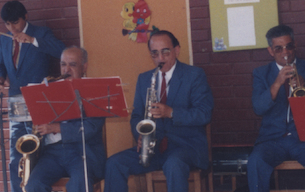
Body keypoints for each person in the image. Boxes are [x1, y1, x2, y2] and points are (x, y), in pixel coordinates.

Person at [105, 30, 213, 192]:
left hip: (186, 147)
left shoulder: (194, 75)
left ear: (177, 50)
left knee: (173, 164)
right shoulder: (144, 79)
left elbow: (204, 113)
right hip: (153, 149)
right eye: (154, 54)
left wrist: (171, 112)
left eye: (165, 52)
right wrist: (140, 135)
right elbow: (136, 116)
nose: (160, 59)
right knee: (114, 163)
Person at [0, 2, 67, 191]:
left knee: (37, 154)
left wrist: (32, 40)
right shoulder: (4, 39)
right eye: (7, 24)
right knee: (16, 157)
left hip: (39, 101)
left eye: (15, 23)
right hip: (16, 102)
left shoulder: (40, 33)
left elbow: (62, 51)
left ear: (25, 17)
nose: (12, 28)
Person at [247, 25, 305, 192]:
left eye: (289, 46)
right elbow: (258, 108)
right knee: (255, 161)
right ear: (270, 51)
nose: (285, 52)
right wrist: (277, 83)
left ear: (295, 45)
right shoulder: (261, 73)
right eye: (278, 48)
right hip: (273, 139)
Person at [25, 46, 106, 192]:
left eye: (72, 65)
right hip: (52, 153)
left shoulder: (95, 90)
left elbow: (91, 128)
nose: (66, 70)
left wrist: (56, 128)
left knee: (78, 184)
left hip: (82, 153)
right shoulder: (49, 87)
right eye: (63, 65)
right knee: (32, 185)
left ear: (84, 67)